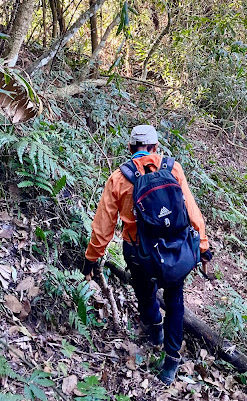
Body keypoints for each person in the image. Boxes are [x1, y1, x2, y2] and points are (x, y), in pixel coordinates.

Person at [82, 124, 212, 384]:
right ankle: (171, 362)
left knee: (143, 292)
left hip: (139, 253)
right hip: (175, 250)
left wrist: (91, 258)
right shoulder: (173, 169)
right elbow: (192, 211)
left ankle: (154, 328)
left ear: (130, 149)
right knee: (175, 303)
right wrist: (204, 247)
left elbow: (104, 226)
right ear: (155, 148)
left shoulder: (119, 178)